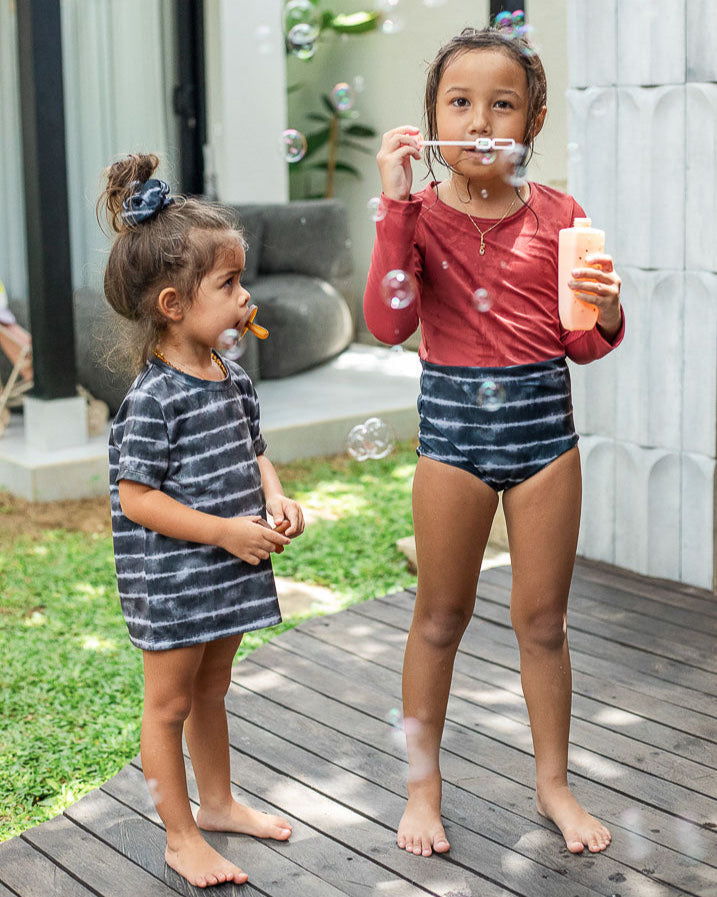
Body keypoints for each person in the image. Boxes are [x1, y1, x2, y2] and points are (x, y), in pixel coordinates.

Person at [364, 27, 623, 859]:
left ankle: (553, 783)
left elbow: (581, 343)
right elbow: (388, 323)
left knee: (543, 622)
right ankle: (422, 788)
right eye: (459, 102)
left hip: (545, 439)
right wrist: (395, 205)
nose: (479, 121)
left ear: (532, 121)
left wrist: (607, 309)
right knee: (438, 617)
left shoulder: (561, 215)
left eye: (501, 104)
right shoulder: (415, 217)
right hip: (452, 443)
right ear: (431, 119)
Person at [99, 154, 305, 888]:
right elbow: (136, 499)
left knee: (212, 689)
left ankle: (216, 803)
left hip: (226, 566)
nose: (245, 297)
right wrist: (223, 530)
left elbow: (255, 451)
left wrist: (275, 497)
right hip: (175, 577)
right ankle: (179, 836)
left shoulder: (232, 376)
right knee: (168, 705)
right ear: (173, 304)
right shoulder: (153, 398)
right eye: (229, 283)